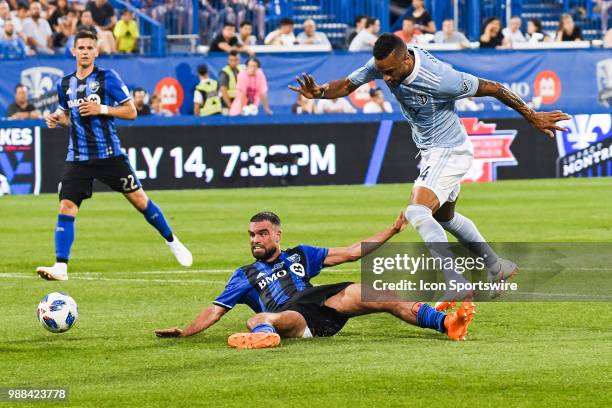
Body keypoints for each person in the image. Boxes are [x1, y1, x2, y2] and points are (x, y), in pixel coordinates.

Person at [288, 34, 570, 310]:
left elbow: (494, 87)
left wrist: (531, 115)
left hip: (448, 150)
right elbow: (349, 84)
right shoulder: (384, 63)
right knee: (444, 217)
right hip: (434, 151)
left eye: (389, 72)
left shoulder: (440, 79)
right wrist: (321, 92)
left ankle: (454, 279)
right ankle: (497, 267)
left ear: (406, 60)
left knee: (416, 211)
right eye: (381, 72)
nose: (385, 78)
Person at [155, 211, 476, 348]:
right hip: (293, 315)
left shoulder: (300, 255)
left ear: (277, 235)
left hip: (323, 303)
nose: (255, 239)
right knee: (260, 317)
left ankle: (447, 324)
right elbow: (215, 310)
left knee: (382, 294)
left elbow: (351, 252)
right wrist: (185, 332)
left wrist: (392, 231)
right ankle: (265, 335)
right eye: (252, 235)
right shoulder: (243, 275)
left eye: (262, 233)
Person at [36, 30, 192, 281]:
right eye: (81, 48)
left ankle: (172, 240)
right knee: (66, 205)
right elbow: (69, 117)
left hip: (109, 156)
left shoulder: (108, 77)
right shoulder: (64, 84)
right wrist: (56, 119)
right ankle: (61, 266)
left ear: (97, 51)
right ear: (73, 51)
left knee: (140, 201)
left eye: (90, 47)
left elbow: (131, 112)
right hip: (78, 157)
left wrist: (102, 108)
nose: (85, 52)